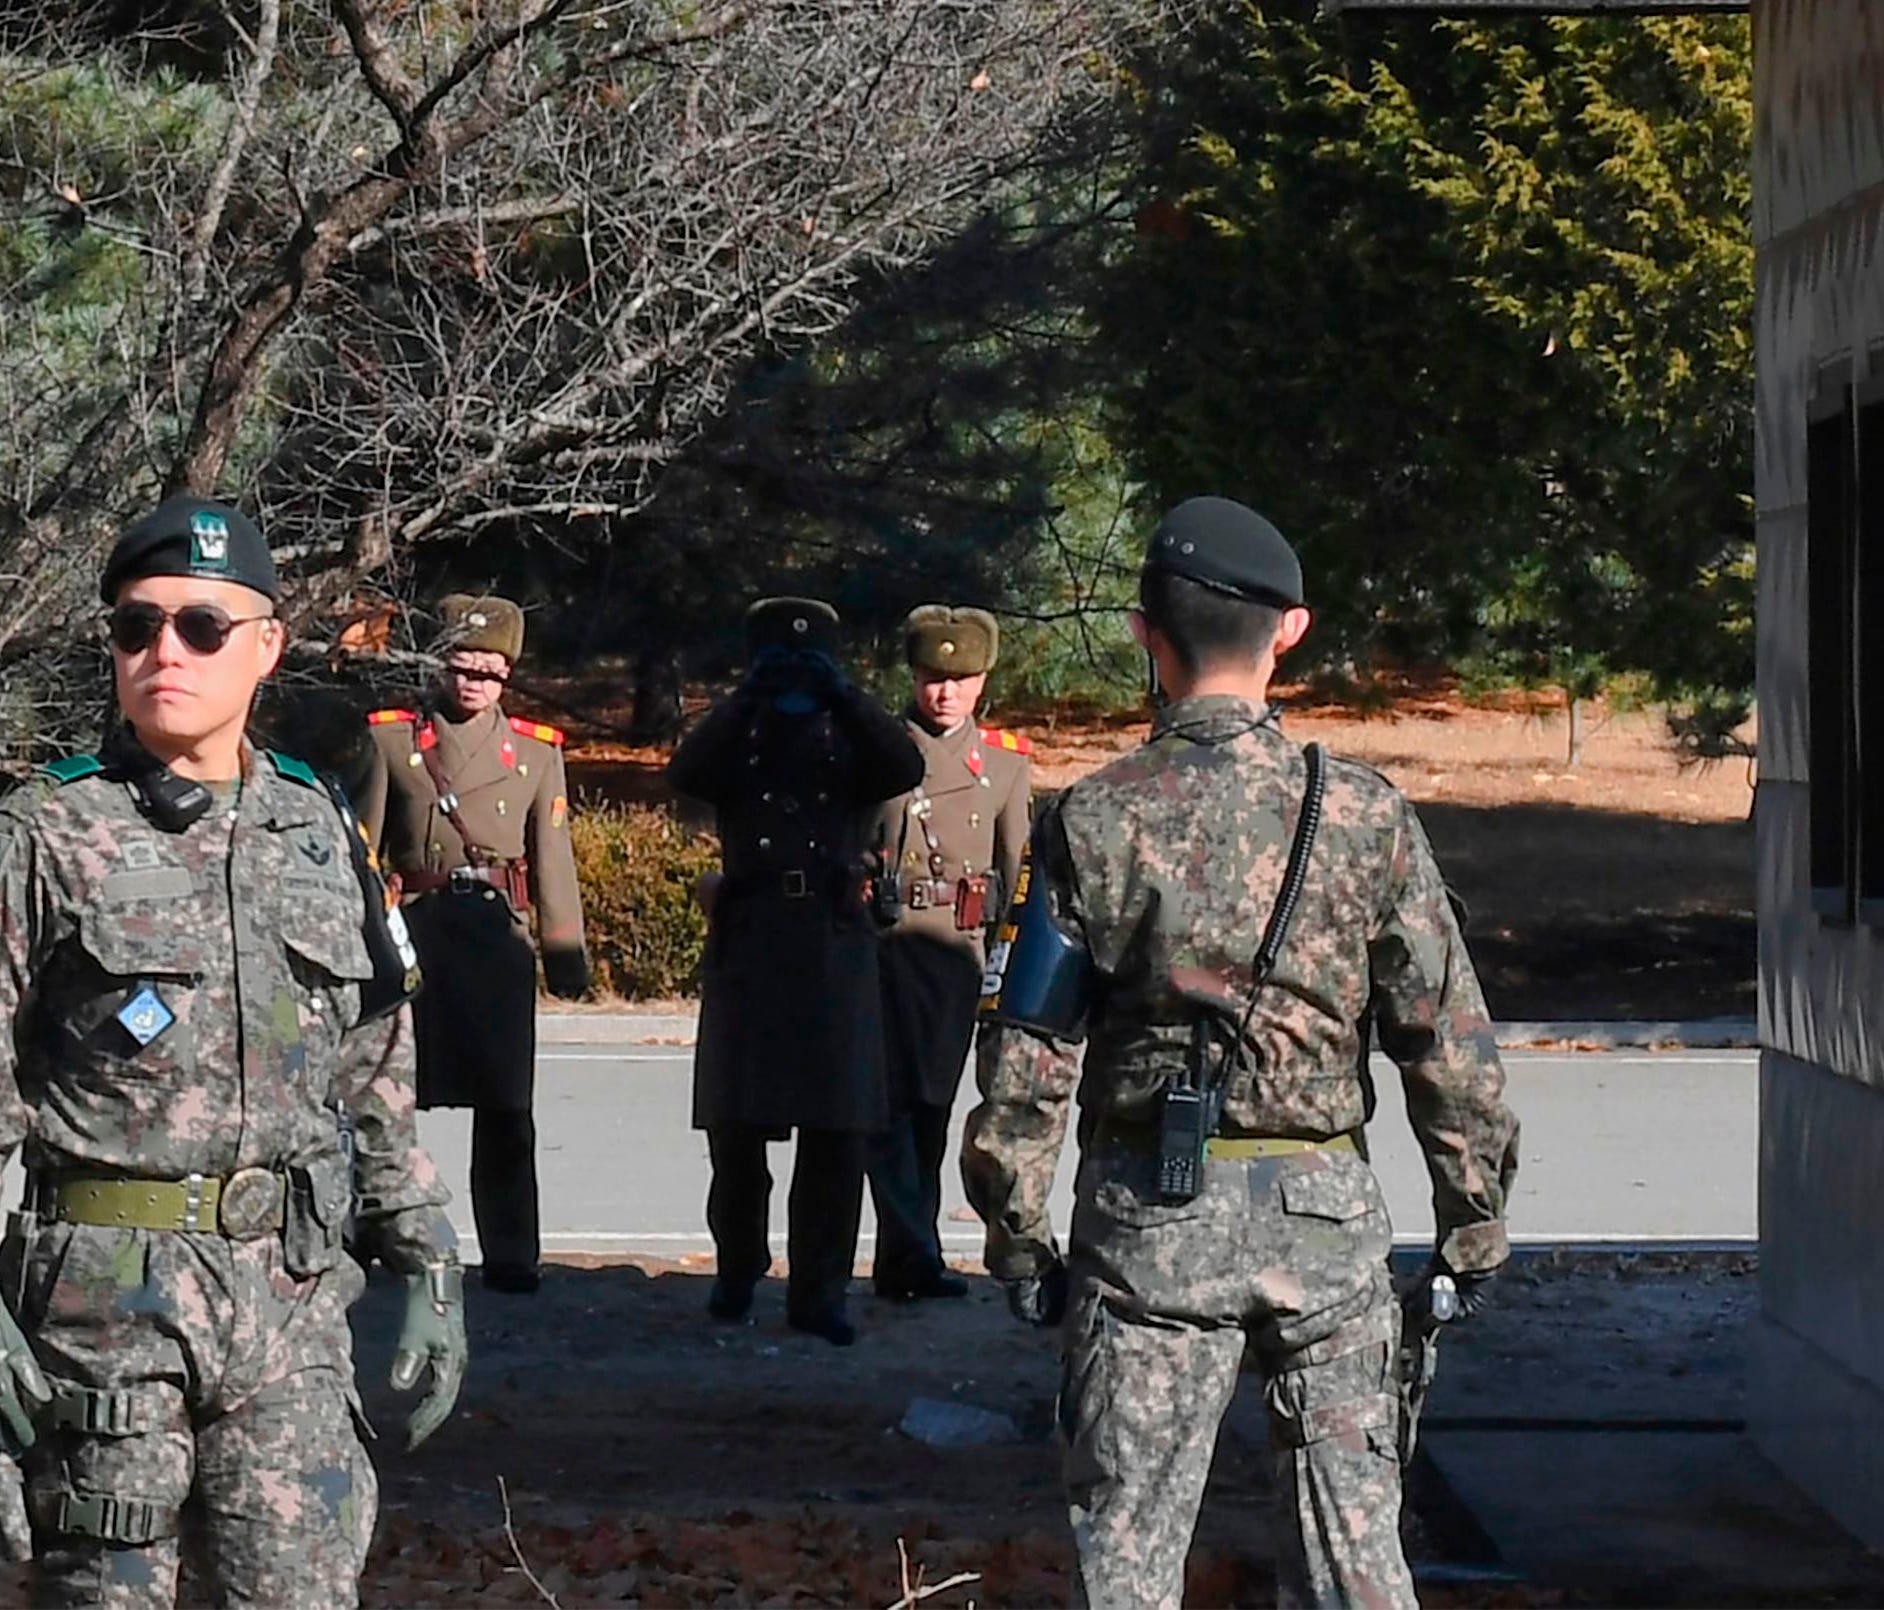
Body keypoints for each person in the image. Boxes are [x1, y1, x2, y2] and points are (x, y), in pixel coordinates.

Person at [964, 496, 1519, 1609]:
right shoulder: (1364, 816)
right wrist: (1473, 1224)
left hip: (1148, 1227)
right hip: (1324, 1226)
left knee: (1129, 1557)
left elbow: (1030, 1049)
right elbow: (1447, 1040)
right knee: (1357, 1559)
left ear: (1143, 634)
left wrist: (1017, 1234)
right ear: (1291, 630)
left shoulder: (1094, 819)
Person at [0, 495, 465, 1607]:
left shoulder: (313, 822)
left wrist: (424, 1245)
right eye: (136, 625)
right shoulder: (44, 832)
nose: (166, 650)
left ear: (265, 646)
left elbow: (371, 1049)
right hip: (102, 1319)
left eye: (201, 627)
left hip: (291, 1301)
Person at [668, 598, 922, 1346]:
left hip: (832, 939)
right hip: (752, 934)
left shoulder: (851, 729)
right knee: (735, 1130)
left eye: (809, 658)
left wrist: (842, 692)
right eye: (783, 657)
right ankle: (737, 1267)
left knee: (836, 1132)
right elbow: (688, 771)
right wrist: (748, 694)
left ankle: (820, 1289)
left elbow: (904, 764)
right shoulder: (740, 731)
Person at [359, 595, 589, 1295]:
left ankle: (513, 1252)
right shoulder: (391, 742)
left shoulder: (536, 753)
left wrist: (564, 952)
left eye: (488, 673)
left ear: (507, 676)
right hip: (418, 937)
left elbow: (553, 857)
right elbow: (361, 852)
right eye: (461, 667)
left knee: (508, 1109)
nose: (472, 684)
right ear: (439, 664)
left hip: (496, 944)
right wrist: (358, 941)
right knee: (385, 1101)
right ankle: (374, 1232)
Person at [863, 606, 1031, 1302]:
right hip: (883, 948)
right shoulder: (878, 749)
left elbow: (1018, 875)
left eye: (959, 679)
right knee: (889, 1105)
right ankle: (912, 1251)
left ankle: (909, 1255)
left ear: (982, 680)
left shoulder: (1002, 766)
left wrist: (1010, 968)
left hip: (957, 954)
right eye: (934, 677)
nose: (944, 693)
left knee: (933, 1106)